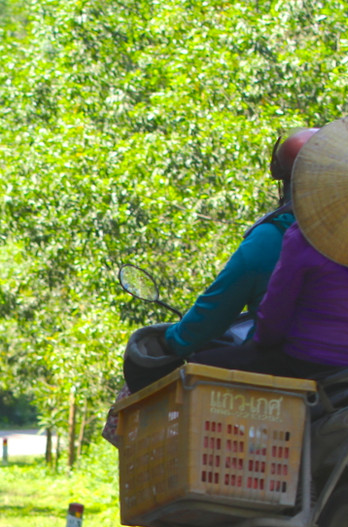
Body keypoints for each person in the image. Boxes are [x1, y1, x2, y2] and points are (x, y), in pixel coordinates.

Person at [190, 114, 348, 378]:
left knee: (200, 363)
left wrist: (263, 345)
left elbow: (274, 318)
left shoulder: (304, 237)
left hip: (310, 366)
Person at [122, 127, 319, 393]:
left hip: (298, 363)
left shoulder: (279, 237)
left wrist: (172, 341)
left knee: (200, 367)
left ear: (286, 183)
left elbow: (216, 313)